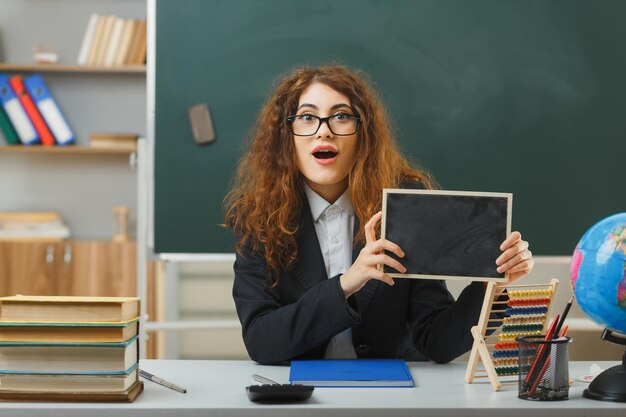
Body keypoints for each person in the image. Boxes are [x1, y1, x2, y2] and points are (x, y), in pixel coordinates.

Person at [225, 65, 534, 365]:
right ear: (286, 136)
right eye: (307, 117)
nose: (324, 132)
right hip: (302, 397)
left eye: (342, 116)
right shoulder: (256, 218)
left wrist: (490, 285)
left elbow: (436, 342)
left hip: (392, 398)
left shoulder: (407, 204)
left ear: (364, 135)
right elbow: (261, 340)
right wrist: (347, 283)